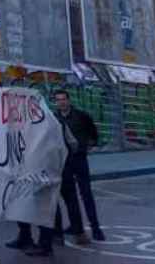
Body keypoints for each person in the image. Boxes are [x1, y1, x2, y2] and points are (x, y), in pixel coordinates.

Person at [54, 90, 104, 243]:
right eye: (58, 100)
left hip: (79, 159)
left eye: (64, 99)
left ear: (69, 100)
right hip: (64, 162)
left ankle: (95, 228)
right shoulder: (54, 118)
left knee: (86, 194)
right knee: (71, 197)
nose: (61, 102)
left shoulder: (81, 116)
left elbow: (94, 135)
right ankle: (76, 227)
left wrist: (87, 146)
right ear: (55, 102)